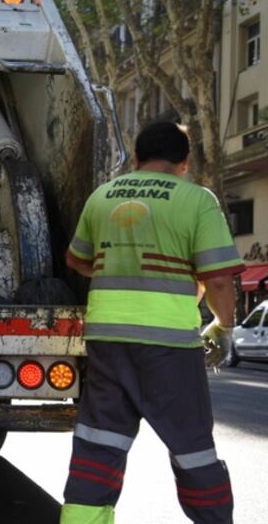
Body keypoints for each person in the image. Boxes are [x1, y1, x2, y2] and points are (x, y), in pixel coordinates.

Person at [59, 121, 242, 524]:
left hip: (106, 339)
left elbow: (76, 259)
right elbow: (218, 278)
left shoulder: (103, 197)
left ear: (137, 158)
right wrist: (224, 327)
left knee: (99, 442)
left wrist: (122, 265)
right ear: (184, 163)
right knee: (192, 447)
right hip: (170, 345)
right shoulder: (197, 200)